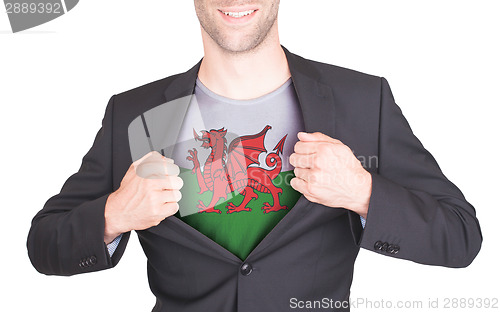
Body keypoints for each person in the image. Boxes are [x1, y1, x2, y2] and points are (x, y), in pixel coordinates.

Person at [27, 1, 482, 311]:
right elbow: (44, 245)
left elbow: (460, 236)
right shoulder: (137, 114)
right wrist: (114, 214)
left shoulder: (362, 101)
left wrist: (363, 192)